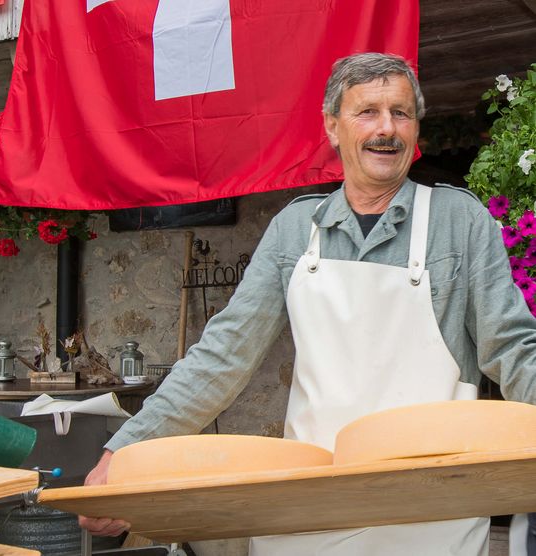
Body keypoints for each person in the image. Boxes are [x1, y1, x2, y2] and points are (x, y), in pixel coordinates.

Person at [80, 52, 536, 555]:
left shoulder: (459, 221)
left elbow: (512, 348)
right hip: (307, 515)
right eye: (367, 112)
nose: (387, 128)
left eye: (401, 113)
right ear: (333, 127)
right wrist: (122, 454)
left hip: (428, 516)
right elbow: (220, 359)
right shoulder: (295, 230)